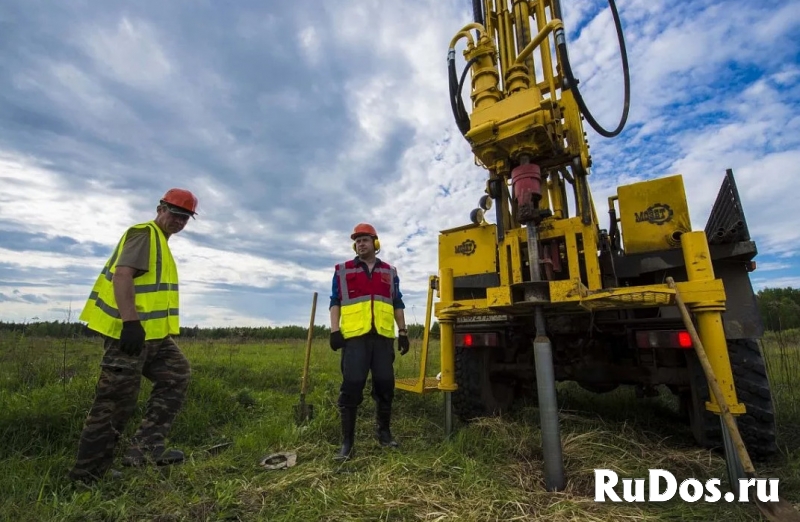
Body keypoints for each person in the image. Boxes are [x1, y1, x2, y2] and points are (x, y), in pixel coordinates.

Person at [68, 188, 199, 484]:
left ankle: (145, 449)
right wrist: (130, 323)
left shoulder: (161, 243)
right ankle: (86, 476)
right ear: (160, 208)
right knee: (114, 403)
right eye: (175, 213)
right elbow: (123, 275)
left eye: (185, 217)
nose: (179, 221)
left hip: (154, 339)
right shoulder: (144, 234)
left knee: (176, 375)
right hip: (129, 337)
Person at [328, 223, 410, 461]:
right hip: (354, 339)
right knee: (352, 386)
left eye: (365, 239)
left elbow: (397, 303)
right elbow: (335, 301)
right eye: (357, 240)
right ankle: (347, 443)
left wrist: (403, 332)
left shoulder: (390, 272)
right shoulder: (343, 270)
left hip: (383, 338)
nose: (360, 244)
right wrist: (335, 330)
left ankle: (384, 434)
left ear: (375, 243)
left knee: (385, 385)